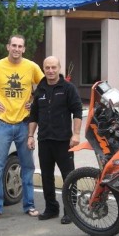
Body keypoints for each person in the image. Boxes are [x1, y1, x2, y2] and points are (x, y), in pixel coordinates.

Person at [0, 34, 45, 219]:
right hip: (3, 124)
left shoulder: (31, 67)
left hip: (24, 125)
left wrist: (34, 102)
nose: (17, 49)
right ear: (8, 47)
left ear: (24, 49)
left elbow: (44, 85)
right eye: (14, 45)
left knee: (27, 167)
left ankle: (29, 205)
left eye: (20, 46)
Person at [28, 56, 83, 224]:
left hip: (64, 141)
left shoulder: (68, 88)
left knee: (68, 176)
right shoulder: (40, 88)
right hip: (45, 139)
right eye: (47, 68)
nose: (50, 71)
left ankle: (70, 211)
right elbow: (34, 115)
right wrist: (30, 135)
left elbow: (78, 111)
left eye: (53, 67)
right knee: (46, 176)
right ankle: (51, 208)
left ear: (59, 68)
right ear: (43, 69)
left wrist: (76, 134)